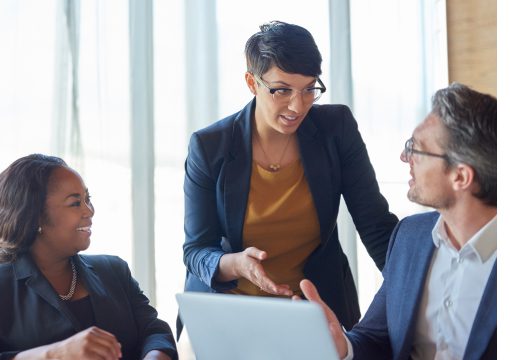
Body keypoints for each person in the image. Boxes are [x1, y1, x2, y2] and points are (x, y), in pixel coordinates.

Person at [182, 20, 398, 332]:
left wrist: (418, 294)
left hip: (316, 311)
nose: (298, 106)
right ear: (251, 82)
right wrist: (235, 264)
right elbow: (196, 251)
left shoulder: (336, 129)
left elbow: (376, 227)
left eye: (310, 89)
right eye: (282, 90)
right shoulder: (210, 146)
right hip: (231, 314)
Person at [299, 83, 497, 359]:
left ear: (461, 176)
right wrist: (344, 345)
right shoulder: (409, 237)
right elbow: (375, 337)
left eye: (417, 148)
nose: (405, 157)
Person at [0, 154, 178, 360]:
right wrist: (54, 354)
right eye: (75, 203)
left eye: (88, 199)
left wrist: (155, 356)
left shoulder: (114, 270)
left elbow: (154, 331)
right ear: (35, 215)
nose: (89, 211)